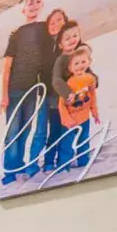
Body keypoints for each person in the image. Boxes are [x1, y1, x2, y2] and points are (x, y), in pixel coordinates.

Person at [0, 0, 54, 182]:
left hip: (33, 90)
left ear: (42, 5)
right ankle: (9, 171)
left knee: (26, 129)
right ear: (24, 8)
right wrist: (4, 95)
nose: (34, 5)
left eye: (38, 1)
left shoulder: (45, 29)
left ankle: (19, 165)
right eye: (31, 2)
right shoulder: (16, 34)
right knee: (12, 131)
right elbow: (7, 67)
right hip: (15, 89)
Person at [46, 18, 84, 170]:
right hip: (57, 104)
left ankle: (66, 160)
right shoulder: (61, 60)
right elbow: (56, 80)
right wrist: (69, 94)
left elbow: (86, 72)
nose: (72, 40)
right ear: (60, 44)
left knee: (71, 132)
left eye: (75, 36)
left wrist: (94, 80)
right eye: (67, 38)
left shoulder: (78, 57)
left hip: (74, 104)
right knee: (56, 133)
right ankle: (50, 162)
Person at [58, 42, 100, 170]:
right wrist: (67, 119)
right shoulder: (69, 84)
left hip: (84, 118)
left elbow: (92, 97)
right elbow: (61, 104)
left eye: (83, 62)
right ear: (70, 68)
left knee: (84, 140)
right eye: (76, 64)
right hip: (70, 120)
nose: (80, 65)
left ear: (89, 62)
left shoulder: (90, 79)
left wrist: (95, 113)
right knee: (67, 143)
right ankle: (64, 165)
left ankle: (83, 161)